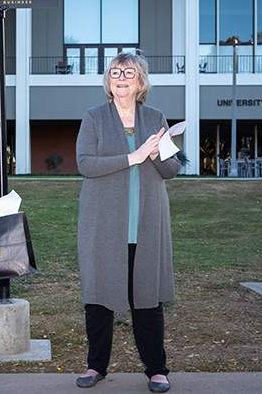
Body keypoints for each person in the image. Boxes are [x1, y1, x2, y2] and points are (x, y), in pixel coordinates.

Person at [75, 51, 180, 393]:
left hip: (147, 222)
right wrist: (132, 157)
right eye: (115, 72)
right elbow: (85, 164)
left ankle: (156, 369)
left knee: (147, 297)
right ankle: (96, 366)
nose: (121, 78)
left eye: (129, 73)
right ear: (108, 80)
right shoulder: (93, 117)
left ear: (140, 82)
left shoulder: (155, 117)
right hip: (103, 222)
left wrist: (155, 155)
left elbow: (172, 170)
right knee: (99, 296)